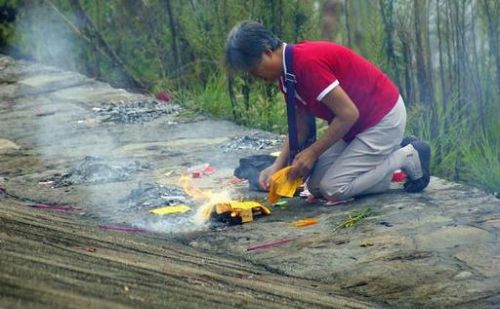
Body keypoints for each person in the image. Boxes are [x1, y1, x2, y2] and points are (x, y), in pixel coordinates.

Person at [224, 21, 431, 203]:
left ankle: (407, 155)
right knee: (315, 187)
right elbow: (300, 126)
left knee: (333, 189)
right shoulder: (286, 77)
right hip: (354, 127)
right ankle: (380, 166)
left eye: (253, 69)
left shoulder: (306, 62)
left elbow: (349, 113)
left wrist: (313, 152)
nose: (254, 76)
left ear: (267, 52)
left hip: (381, 118)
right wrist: (277, 165)